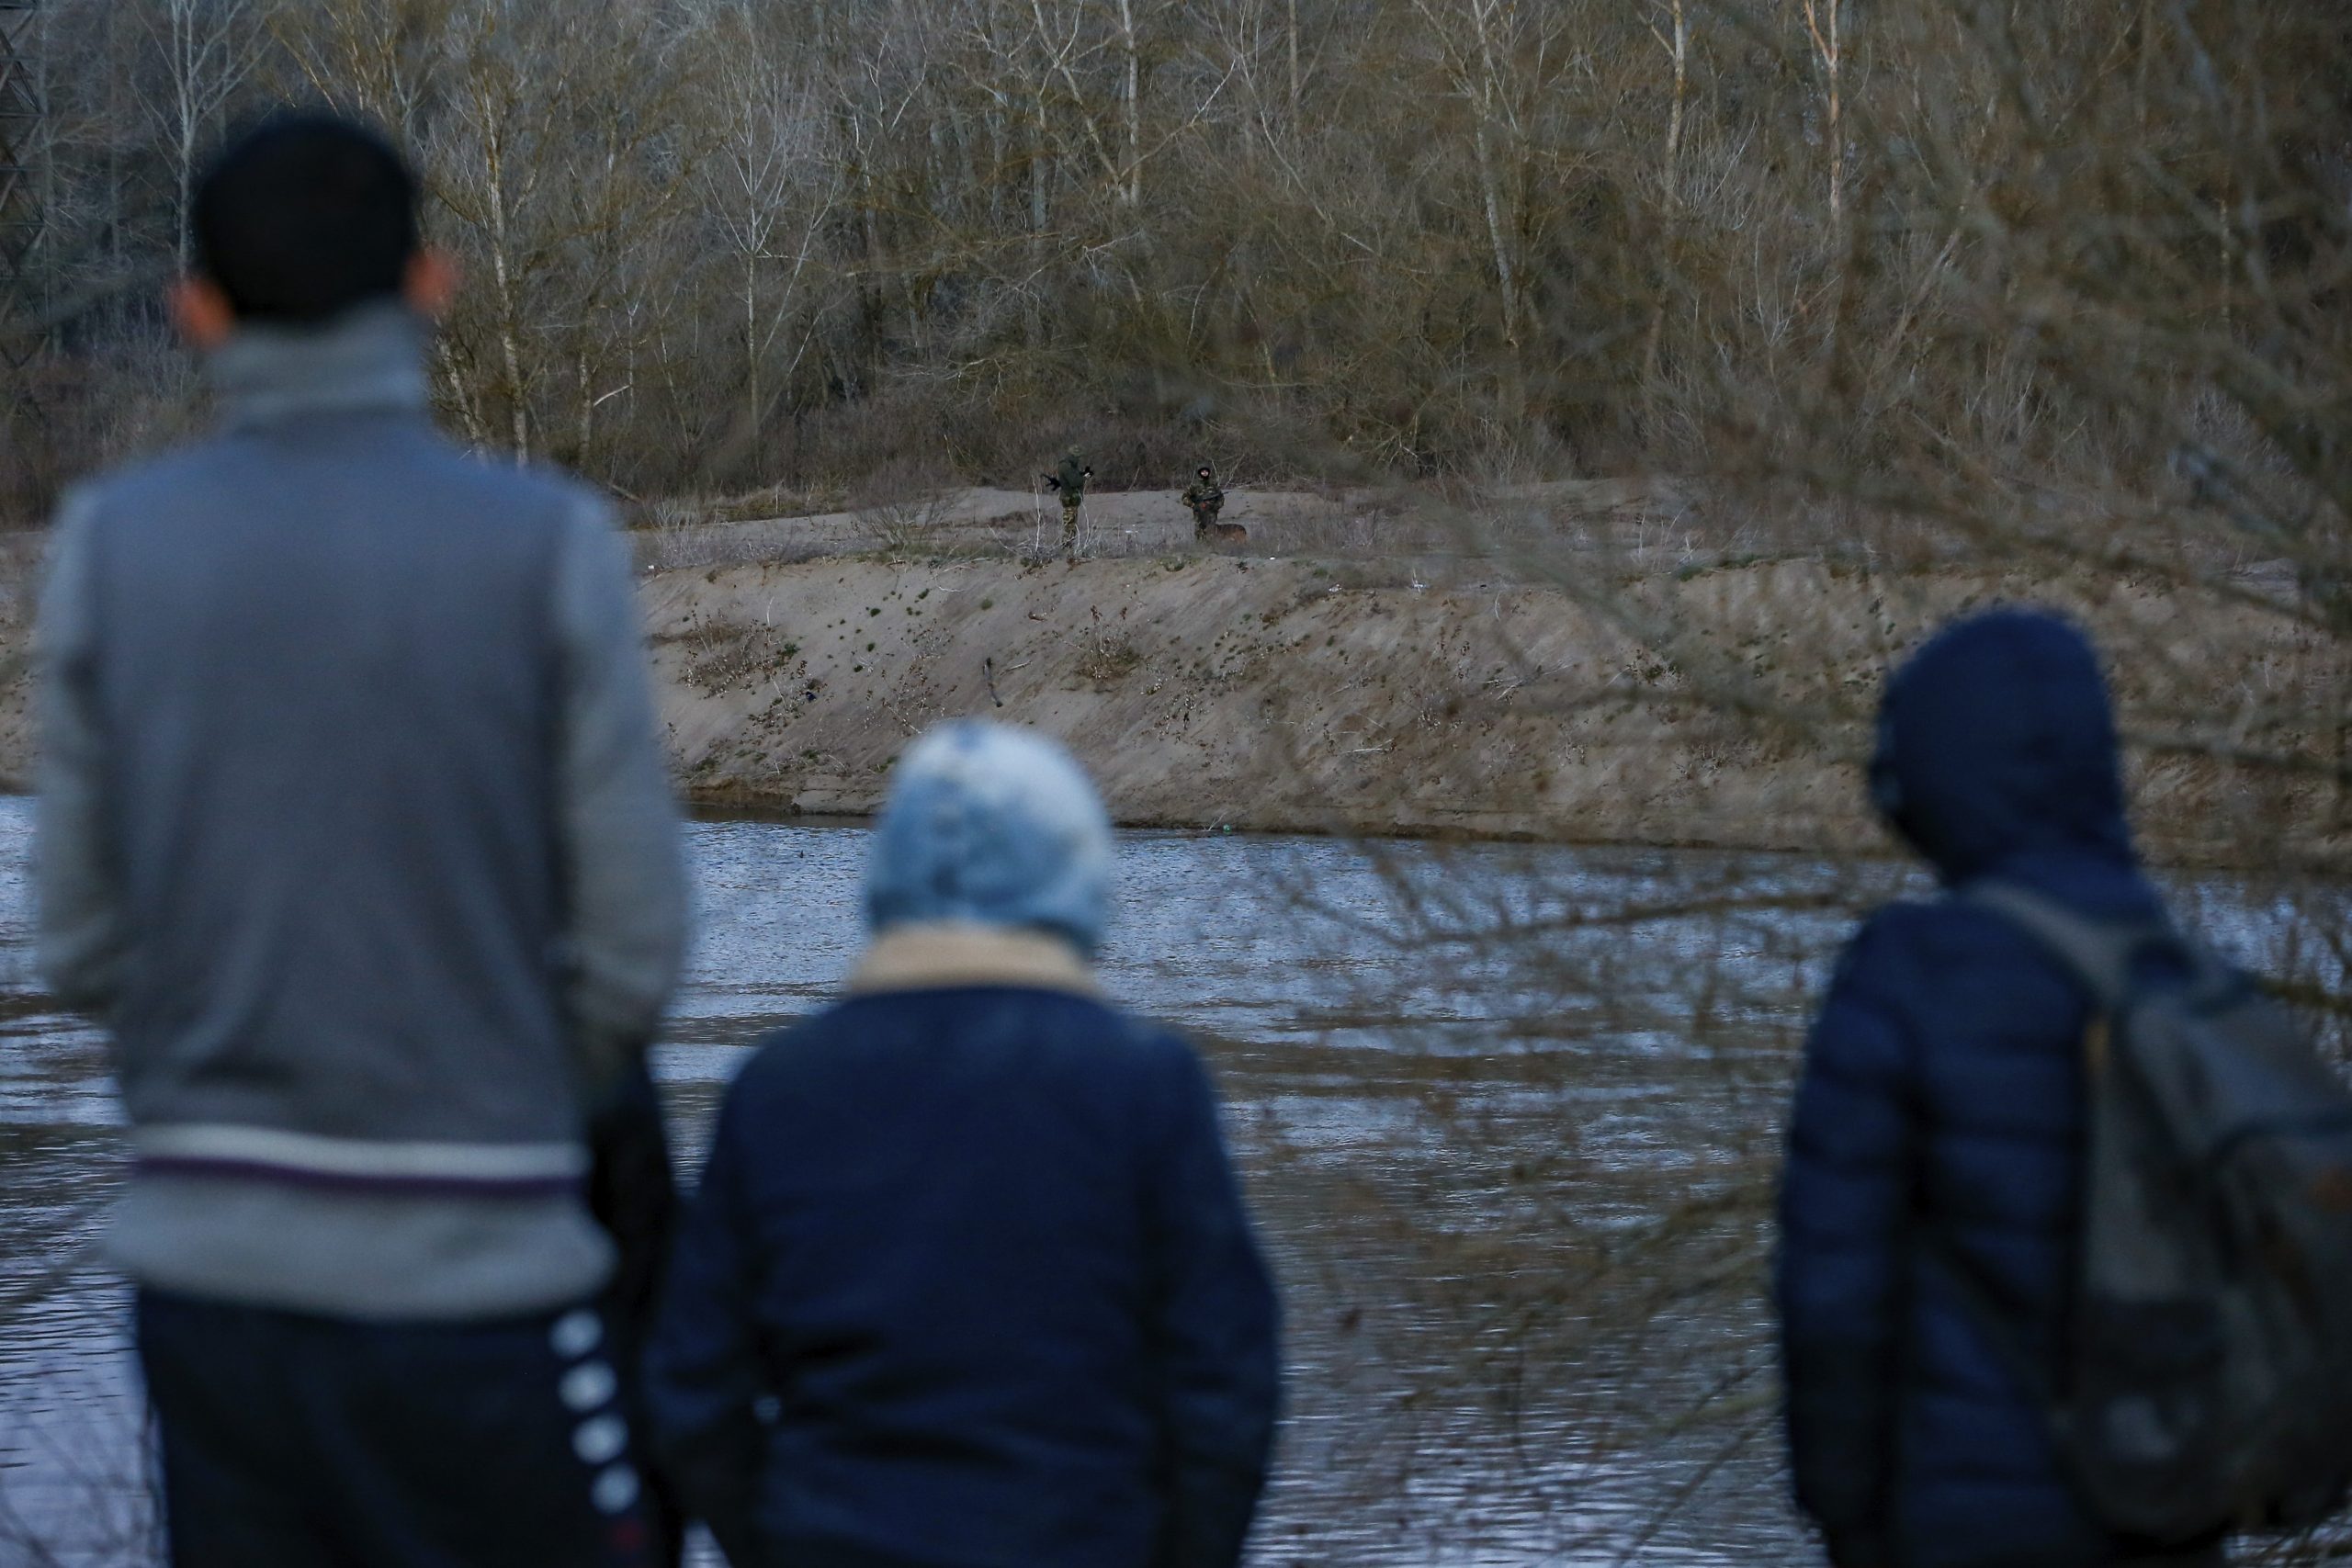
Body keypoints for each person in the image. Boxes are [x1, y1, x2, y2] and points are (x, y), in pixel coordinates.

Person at [33, 111, 689, 1568]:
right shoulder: (548, 544)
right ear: (432, 286)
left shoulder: (111, 548)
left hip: (210, 1293)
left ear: (194, 309)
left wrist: (218, 1070)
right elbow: (636, 947)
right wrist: (501, 1090)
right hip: (484, 1277)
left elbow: (76, 936)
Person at [645, 720, 1282, 1568]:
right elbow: (1227, 1383)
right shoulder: (1146, 1084)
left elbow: (693, 1388)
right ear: (1079, 872)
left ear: (882, 879)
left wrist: (772, 1540)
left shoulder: (778, 1085)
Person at [1775, 609, 2219, 1568]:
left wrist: (1844, 1517)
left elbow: (1833, 1297)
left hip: (1956, 1521)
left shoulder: (1905, 973)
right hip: (2165, 1517)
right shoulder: (2192, 977)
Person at [1044, 447, 1091, 559]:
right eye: (1077, 456)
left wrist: (1082, 474)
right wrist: (1085, 477)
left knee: (1071, 525)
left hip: (1071, 498)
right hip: (1069, 498)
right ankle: (1066, 549)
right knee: (1069, 526)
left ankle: (1068, 549)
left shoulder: (1068, 466)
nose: (1079, 459)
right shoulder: (1066, 466)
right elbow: (1074, 481)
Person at [1183, 464, 1226, 538]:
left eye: (1206, 471)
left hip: (1211, 512)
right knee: (1199, 531)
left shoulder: (1213, 485)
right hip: (1199, 512)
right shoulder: (1194, 485)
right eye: (1203, 471)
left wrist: (1216, 506)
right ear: (1200, 472)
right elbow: (1184, 498)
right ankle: (1200, 547)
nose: (1205, 473)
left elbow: (1221, 498)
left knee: (1212, 531)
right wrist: (1193, 505)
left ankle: (1211, 547)